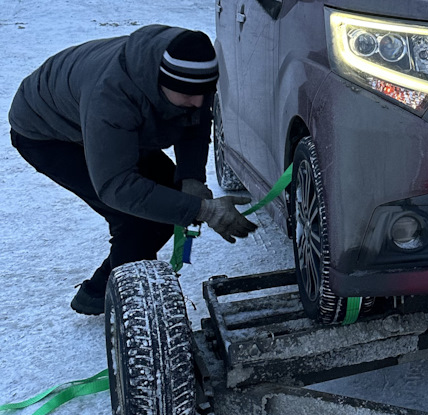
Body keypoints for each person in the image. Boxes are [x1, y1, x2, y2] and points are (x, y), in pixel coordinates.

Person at [8, 25, 256, 315]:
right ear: (161, 83)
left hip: (106, 121)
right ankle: (135, 316)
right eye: (189, 95)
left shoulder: (187, 77)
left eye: (204, 93)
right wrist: (204, 210)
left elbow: (194, 125)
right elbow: (117, 186)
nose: (199, 103)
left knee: (168, 202)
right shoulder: (112, 97)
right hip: (49, 132)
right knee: (137, 217)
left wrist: (191, 179)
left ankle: (102, 289)